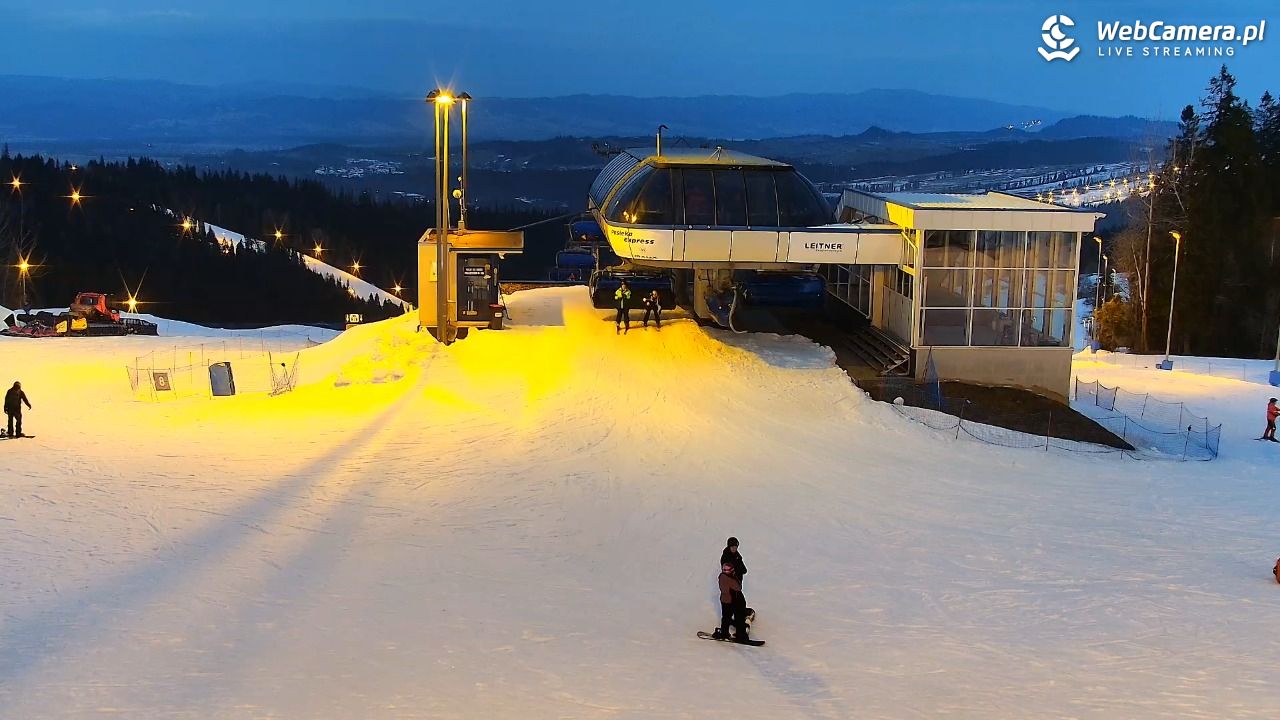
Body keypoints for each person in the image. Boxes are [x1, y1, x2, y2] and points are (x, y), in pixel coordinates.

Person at [713, 561, 750, 642]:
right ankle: (731, 634)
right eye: (724, 570)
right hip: (729, 601)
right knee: (729, 617)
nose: (726, 571)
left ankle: (726, 633)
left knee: (728, 617)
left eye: (728, 570)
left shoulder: (726, 577)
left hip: (730, 600)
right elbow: (738, 587)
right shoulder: (725, 578)